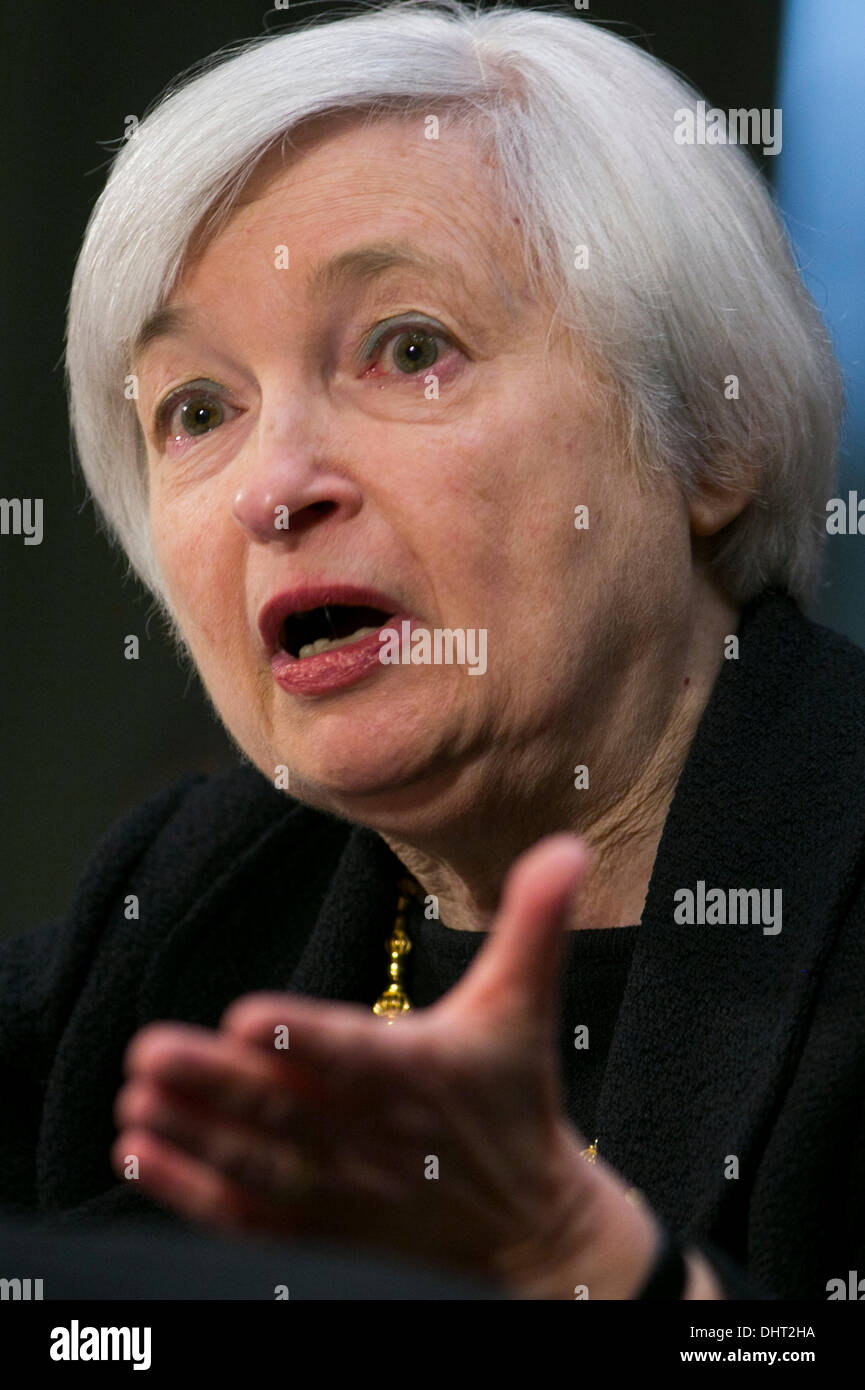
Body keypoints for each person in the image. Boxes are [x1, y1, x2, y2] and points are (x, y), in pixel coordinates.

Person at [2, 0, 859, 1300]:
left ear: (710, 434)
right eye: (197, 409)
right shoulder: (190, 898)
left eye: (409, 350)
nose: (272, 488)